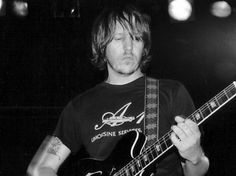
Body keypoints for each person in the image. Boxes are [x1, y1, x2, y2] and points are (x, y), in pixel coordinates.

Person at [27, 2, 209, 176]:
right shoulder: (79, 107)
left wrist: (194, 156)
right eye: (118, 38)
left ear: (144, 46)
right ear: (101, 46)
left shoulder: (171, 92)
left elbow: (198, 170)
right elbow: (39, 168)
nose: (128, 47)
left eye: (136, 38)